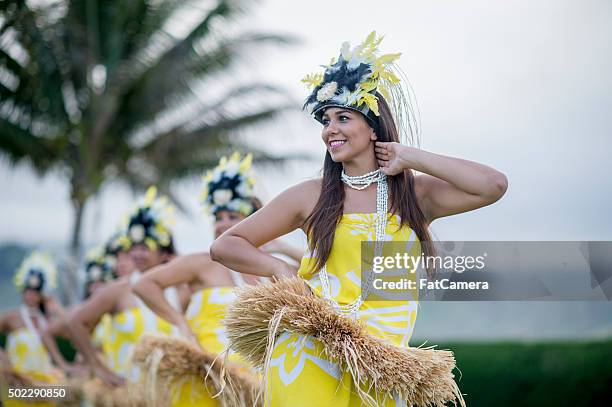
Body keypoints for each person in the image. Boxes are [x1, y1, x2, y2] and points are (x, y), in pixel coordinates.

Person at [210, 32, 507, 406]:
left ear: (372, 127)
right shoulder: (312, 195)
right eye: (325, 120)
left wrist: (410, 157)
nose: (329, 129)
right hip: (309, 350)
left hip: (383, 364)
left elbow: (493, 185)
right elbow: (225, 245)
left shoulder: (415, 195)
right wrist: (283, 271)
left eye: (342, 117)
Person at [132, 152, 302, 406]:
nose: (222, 225)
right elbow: (144, 285)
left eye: (232, 217)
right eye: (217, 218)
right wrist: (181, 324)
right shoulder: (203, 262)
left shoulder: (272, 272)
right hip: (206, 379)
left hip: (257, 386)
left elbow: (321, 274)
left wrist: (280, 246)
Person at [67, 187, 190, 387]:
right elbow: (76, 323)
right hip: (128, 392)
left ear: (163, 252)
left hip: (173, 392)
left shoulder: (180, 290)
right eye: (133, 247)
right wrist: (100, 369)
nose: (137, 254)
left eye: (144, 248)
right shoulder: (118, 290)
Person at [0, 252, 77, 406]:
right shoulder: (12, 317)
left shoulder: (48, 320)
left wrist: (58, 309)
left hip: (45, 382)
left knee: (69, 393)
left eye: (35, 292)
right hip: (18, 383)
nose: (30, 295)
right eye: (27, 291)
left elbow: (73, 331)